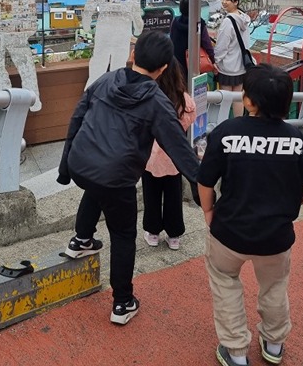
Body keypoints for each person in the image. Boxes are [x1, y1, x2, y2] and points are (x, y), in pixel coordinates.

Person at [57, 31, 200, 325]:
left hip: (82, 164)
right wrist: (203, 187)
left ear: (133, 55)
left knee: (98, 188)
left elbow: (77, 117)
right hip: (115, 176)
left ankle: (81, 239)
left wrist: (64, 168)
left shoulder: (106, 80)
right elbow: (180, 150)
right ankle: (122, 303)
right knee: (122, 235)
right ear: (163, 69)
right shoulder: (157, 102)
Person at [197, 64, 303, 366]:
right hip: (276, 237)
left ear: (248, 101)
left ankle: (235, 351)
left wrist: (208, 210)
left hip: (229, 231)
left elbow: (205, 180)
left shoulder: (227, 132)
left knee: (225, 282)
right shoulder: (296, 139)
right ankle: (273, 344)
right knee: (274, 287)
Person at [142, 57, 196, 250]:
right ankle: (174, 236)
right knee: (174, 197)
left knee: (151, 195)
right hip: (175, 158)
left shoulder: (149, 96)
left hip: (150, 157)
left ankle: (153, 232)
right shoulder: (184, 99)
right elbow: (190, 119)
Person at [214, 0, 251, 117]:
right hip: (241, 66)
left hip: (227, 67)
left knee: (225, 99)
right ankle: (238, 124)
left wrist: (216, 61)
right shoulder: (244, 19)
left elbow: (221, 47)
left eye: (228, 0)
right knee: (238, 98)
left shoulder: (227, 22)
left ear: (236, 2)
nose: (224, 2)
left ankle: (224, 126)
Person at [169, 0, 215, 78]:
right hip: (194, 62)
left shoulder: (175, 21)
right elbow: (206, 43)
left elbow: (171, 39)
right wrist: (213, 60)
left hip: (177, 61)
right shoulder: (199, 23)